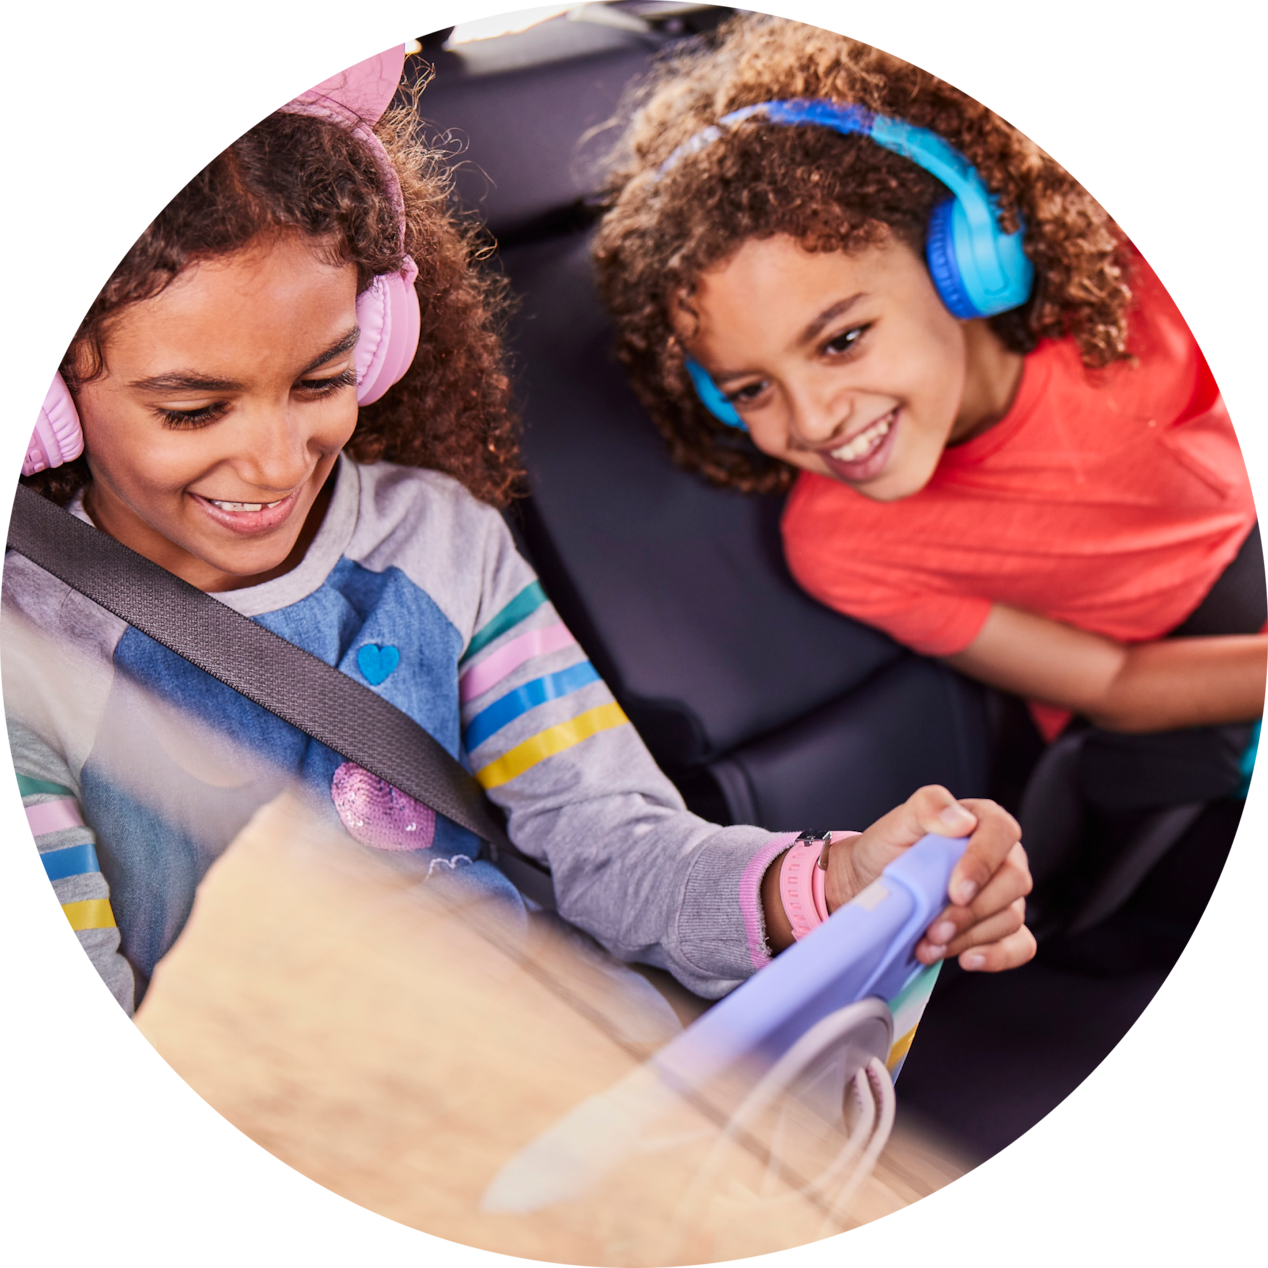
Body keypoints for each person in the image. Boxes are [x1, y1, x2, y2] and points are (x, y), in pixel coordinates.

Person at [4, 44, 1032, 1023]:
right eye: (193, 410)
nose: (278, 460)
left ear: (374, 341)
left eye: (320, 381)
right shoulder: (28, 660)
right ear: (57, 403)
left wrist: (837, 881)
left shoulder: (440, 545)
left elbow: (612, 843)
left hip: (583, 1074)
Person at [591, 15, 1265, 922]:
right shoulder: (841, 543)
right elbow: (1115, 686)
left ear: (970, 263)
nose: (812, 420)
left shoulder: (1133, 297)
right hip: (1191, 724)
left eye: (842, 340)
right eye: (750, 389)